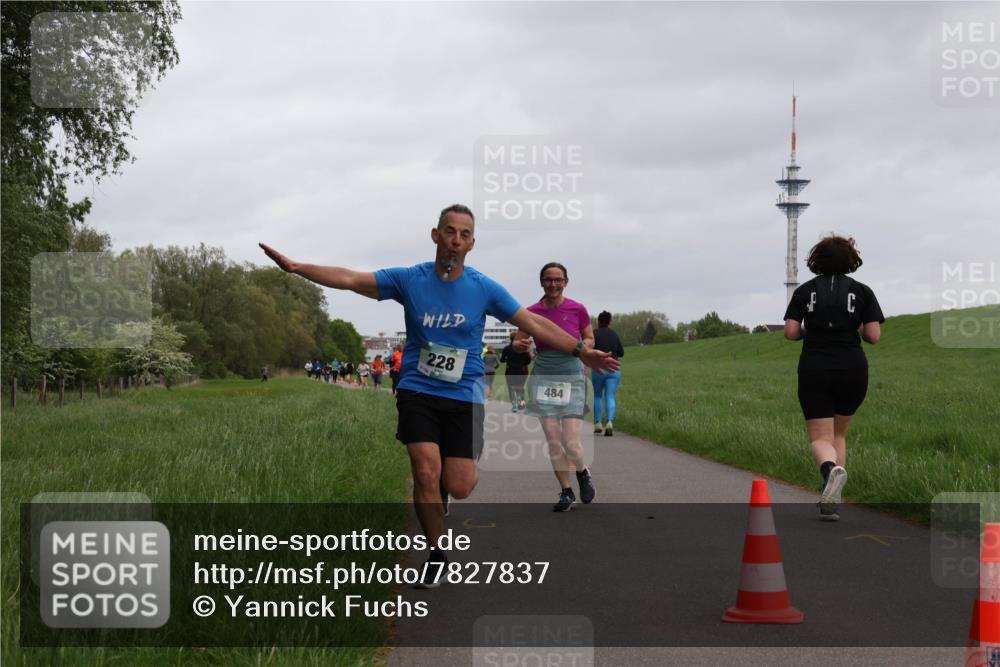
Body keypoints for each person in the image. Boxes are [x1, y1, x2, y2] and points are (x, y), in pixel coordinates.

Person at [260, 204, 618, 587]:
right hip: (418, 388)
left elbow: (532, 323)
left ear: (472, 243)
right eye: (450, 231)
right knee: (425, 470)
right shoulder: (409, 280)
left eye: (464, 234)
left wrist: (581, 351)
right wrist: (298, 268)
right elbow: (349, 278)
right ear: (436, 235)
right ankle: (435, 551)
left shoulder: (483, 288)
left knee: (460, 484)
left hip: (464, 393)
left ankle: (452, 480)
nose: (456, 240)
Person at [783, 234, 883, 522]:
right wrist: (856, 328)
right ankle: (832, 502)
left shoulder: (804, 291)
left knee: (819, 438)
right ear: (851, 261)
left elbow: (790, 332)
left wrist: (808, 332)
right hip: (853, 368)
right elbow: (873, 336)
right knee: (838, 434)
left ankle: (829, 471)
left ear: (817, 260)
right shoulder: (862, 291)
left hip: (815, 367)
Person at [516, 262, 597, 513]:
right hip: (544, 375)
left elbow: (590, 338)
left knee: (570, 442)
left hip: (572, 374)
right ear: (541, 282)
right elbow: (519, 340)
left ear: (566, 282)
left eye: (558, 280)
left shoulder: (577, 308)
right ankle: (566, 491)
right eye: (548, 280)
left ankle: (582, 473)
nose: (553, 284)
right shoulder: (530, 312)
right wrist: (521, 345)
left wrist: (584, 346)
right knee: (552, 440)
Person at [591, 311, 624, 436]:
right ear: (610, 322)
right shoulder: (614, 334)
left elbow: (589, 350)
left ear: (598, 321)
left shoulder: (594, 333)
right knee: (610, 396)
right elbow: (621, 352)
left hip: (598, 369)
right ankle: (610, 422)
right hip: (613, 369)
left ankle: (598, 423)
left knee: (598, 396)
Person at [500, 331, 532, 412]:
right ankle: (520, 402)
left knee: (511, 388)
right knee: (520, 388)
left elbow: (502, 360)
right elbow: (528, 361)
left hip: (510, 371)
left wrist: (507, 359)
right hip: (521, 371)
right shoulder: (523, 349)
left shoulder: (506, 348)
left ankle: (514, 405)